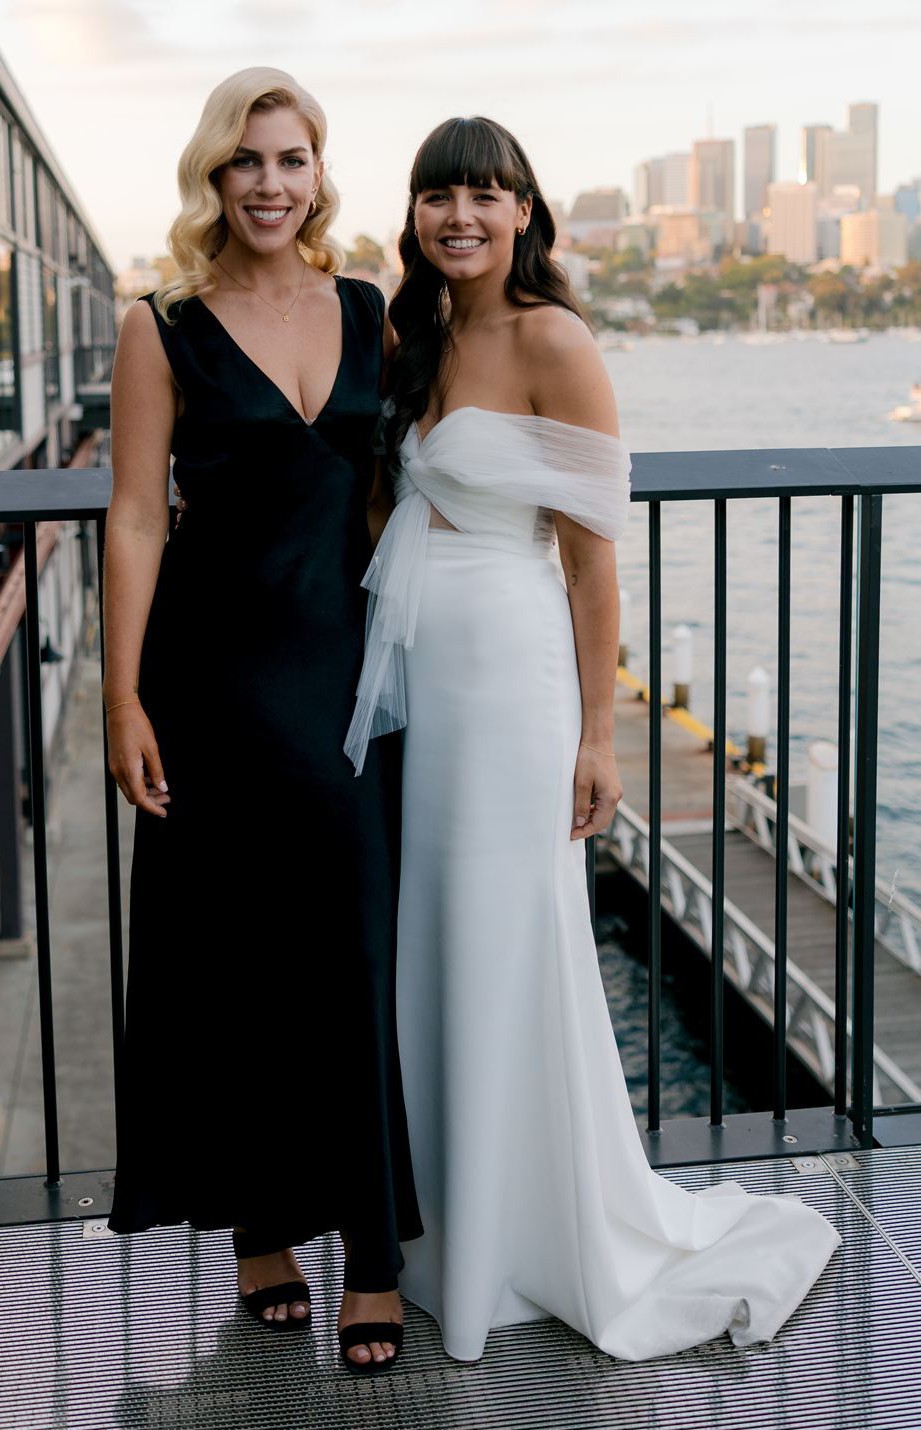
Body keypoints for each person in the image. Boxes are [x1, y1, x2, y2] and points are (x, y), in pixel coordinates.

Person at [346, 116, 841, 1363]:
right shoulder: (416, 334)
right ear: (415, 215)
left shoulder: (555, 340)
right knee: (429, 939)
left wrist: (597, 740)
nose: (459, 216)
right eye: (438, 196)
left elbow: (594, 566)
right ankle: (448, 1224)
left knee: (509, 936)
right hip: (420, 683)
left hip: (511, 685)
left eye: (484, 195)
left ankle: (533, 1230)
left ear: (524, 210)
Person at [103, 68, 420, 1373]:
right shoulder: (161, 325)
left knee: (354, 952)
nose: (271, 184)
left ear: (318, 172)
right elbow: (136, 515)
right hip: (216, 681)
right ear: (213, 177)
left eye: (291, 159)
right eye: (246, 161)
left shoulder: (368, 309)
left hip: (349, 672)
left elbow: (400, 485)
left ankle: (375, 1249)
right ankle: (263, 1228)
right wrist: (121, 694)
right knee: (237, 958)